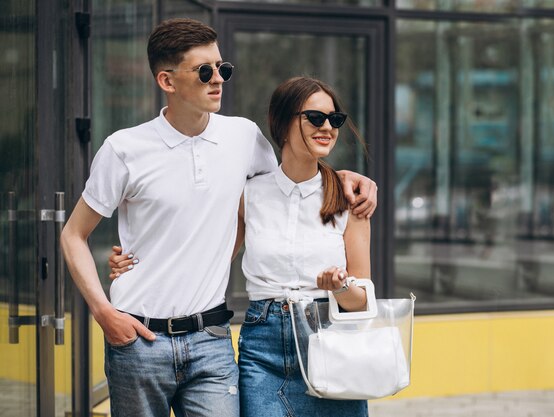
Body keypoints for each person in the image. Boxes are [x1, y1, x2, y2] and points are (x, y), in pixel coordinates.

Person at [60, 18, 377, 417]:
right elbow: (73, 235)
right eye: (205, 71)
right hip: (139, 337)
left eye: (223, 69)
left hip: (211, 338)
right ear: (167, 81)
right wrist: (104, 313)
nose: (218, 79)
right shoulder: (124, 149)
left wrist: (347, 178)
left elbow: (289, 186)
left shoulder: (243, 138)